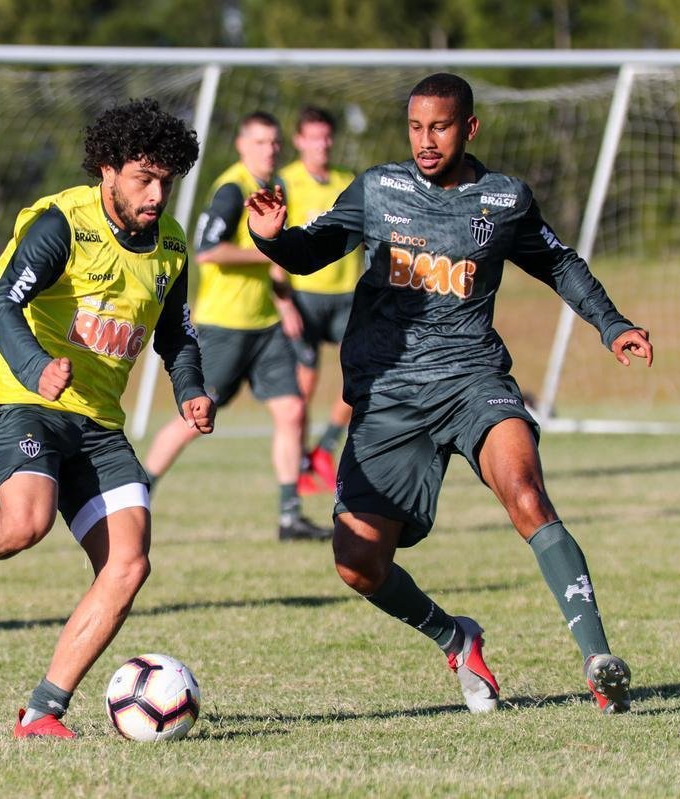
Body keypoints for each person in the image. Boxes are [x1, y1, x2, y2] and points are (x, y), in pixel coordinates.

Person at [246, 73, 651, 714]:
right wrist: (273, 237)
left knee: (526, 495)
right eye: (415, 127)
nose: (425, 141)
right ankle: (454, 637)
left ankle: (599, 662)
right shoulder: (379, 189)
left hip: (473, 381)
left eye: (439, 127)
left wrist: (613, 324)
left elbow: (559, 263)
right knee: (357, 564)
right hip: (389, 396)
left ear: (469, 128)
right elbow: (310, 254)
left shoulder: (504, 200)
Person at [0, 98, 212, 739]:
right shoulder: (61, 224)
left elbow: (176, 335)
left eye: (165, 181)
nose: (156, 195)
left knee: (129, 564)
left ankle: (43, 711)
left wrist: (191, 390)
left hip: (97, 421)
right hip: (27, 398)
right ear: (107, 170)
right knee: (26, 523)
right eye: (142, 179)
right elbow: (1, 307)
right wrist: (38, 366)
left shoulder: (171, 247)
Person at [144, 111, 330, 542]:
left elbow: (272, 254)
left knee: (293, 409)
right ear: (242, 145)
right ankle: (137, 493)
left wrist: (284, 302)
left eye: (275, 143)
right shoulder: (232, 188)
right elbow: (208, 251)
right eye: (262, 142)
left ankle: (290, 517)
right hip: (224, 328)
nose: (271, 150)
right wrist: (269, 255)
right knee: (193, 419)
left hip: (265, 326)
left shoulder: (270, 189)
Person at [277, 106, 363, 495]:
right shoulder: (286, 182)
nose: (322, 144)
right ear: (299, 141)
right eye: (314, 136)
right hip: (304, 297)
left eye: (327, 136)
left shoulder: (348, 182)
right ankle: (300, 465)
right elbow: (273, 243)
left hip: (346, 296)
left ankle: (325, 449)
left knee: (361, 374)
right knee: (304, 387)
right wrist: (284, 302)